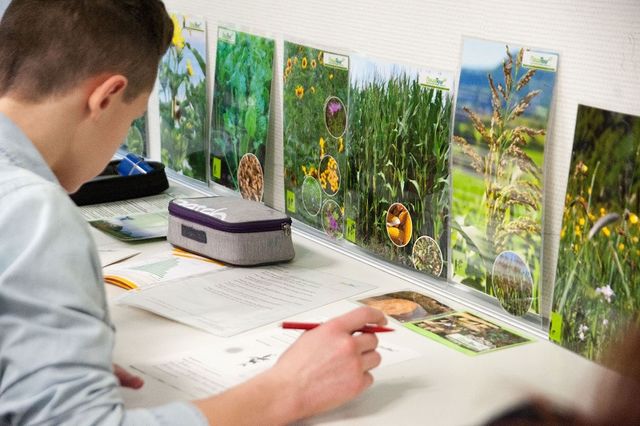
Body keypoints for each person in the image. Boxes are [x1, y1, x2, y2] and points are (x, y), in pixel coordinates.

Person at [0, 1, 385, 425]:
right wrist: (288, 391)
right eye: (131, 121)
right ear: (106, 96)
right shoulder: (35, 215)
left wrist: (44, 363)